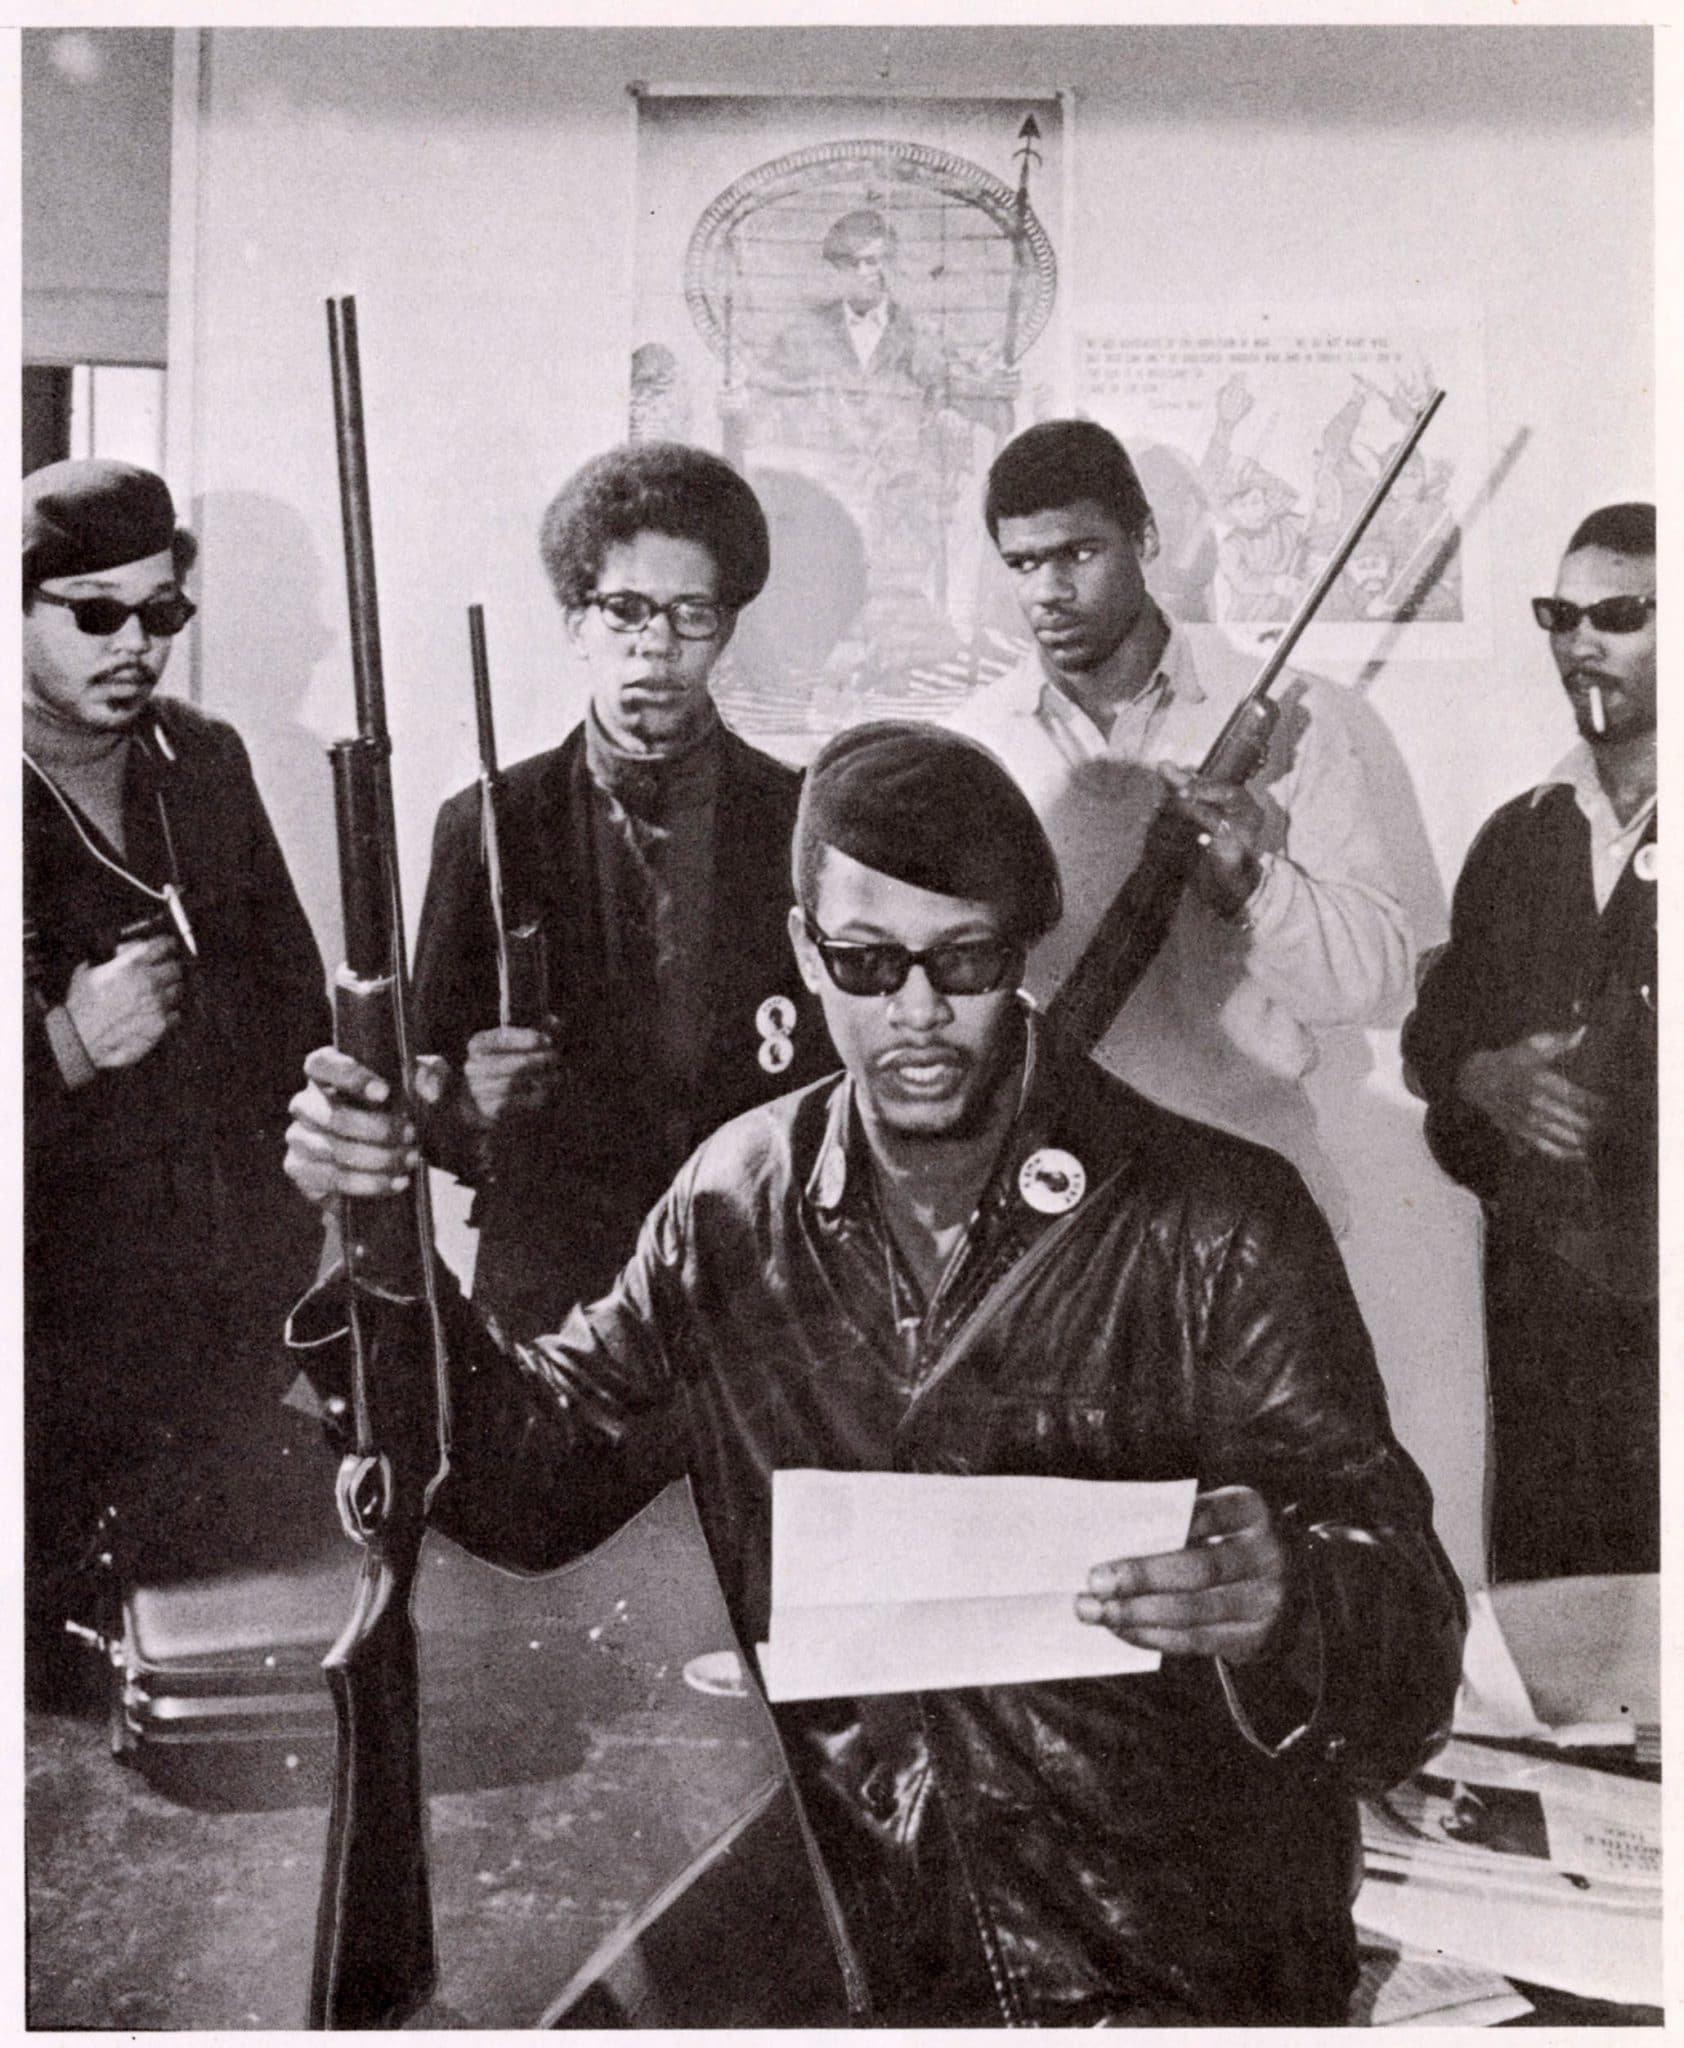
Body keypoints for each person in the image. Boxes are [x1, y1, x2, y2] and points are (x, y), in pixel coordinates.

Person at [285, 721, 1464, 2026]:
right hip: (878, 1937)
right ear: (803, 950)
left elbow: (1410, 1656)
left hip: (1168, 1958)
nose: (914, 1014)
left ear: (1019, 954)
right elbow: (524, 1490)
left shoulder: (1218, 1224)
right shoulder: (734, 1203)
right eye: (866, 963)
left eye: (963, 962)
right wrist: (380, 1242)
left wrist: (1290, 1600)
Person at [23, 458, 331, 1705]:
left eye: (161, 614)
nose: (134, 643)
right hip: (41, 1361)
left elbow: (296, 1015)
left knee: (215, 1692)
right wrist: (65, 1044)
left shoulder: (201, 764)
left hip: (218, 1349)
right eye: (95, 612)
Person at [409, 442, 829, 1340]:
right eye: (626, 609)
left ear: (727, 629)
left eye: (691, 614)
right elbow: (424, 1091)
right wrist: (473, 1102)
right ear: (576, 623)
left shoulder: (797, 817)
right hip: (554, 1288)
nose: (657, 646)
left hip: (755, 1274)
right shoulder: (489, 823)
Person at [950, 418, 1414, 1224]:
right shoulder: (971, 745)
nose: (1048, 592)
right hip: (1042, 1185)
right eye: (1023, 563)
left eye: (1078, 554)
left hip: (1246, 1180)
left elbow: (1375, 982)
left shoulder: (1304, 720)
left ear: (1147, 539)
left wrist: (1255, 888)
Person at [1402, 503, 1656, 1582]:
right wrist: (1481, 1077)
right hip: (1549, 1342)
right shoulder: (1520, 834)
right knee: (1564, 1650)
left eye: (1621, 613)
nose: (1579, 641)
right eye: (1561, 614)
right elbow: (1433, 1038)